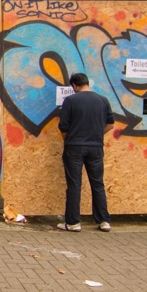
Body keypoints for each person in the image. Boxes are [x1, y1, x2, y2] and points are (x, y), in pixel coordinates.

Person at [57, 72, 114, 232]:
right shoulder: (103, 100)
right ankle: (104, 221)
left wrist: (70, 139)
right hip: (96, 147)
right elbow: (110, 124)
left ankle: (73, 223)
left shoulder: (71, 100)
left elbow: (63, 127)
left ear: (74, 85)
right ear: (87, 83)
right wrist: (95, 135)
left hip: (74, 146)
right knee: (98, 184)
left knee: (74, 185)